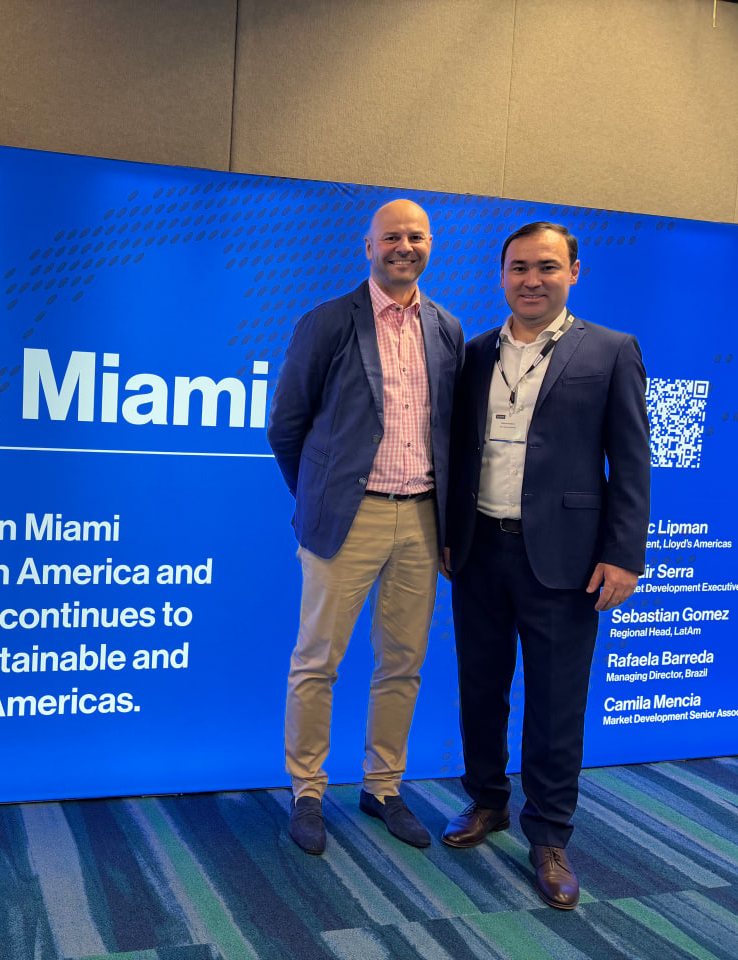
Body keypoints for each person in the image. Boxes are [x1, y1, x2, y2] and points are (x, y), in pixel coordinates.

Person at [442, 222, 650, 908]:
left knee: (557, 701)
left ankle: (551, 834)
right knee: (480, 687)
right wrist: (448, 534)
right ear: (502, 274)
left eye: (547, 267)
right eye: (520, 267)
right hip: (478, 549)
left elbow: (632, 461)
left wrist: (623, 554)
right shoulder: (475, 352)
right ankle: (486, 800)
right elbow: (459, 452)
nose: (532, 280)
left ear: (573, 273)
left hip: (567, 559)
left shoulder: (612, 350)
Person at [268, 198, 464, 853]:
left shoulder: (446, 328)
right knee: (316, 661)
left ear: (429, 244)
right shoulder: (327, 322)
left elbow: (450, 432)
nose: (405, 246)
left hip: (421, 520)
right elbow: (286, 425)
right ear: (369, 246)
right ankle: (307, 791)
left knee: (403, 662)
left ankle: (383, 787)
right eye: (392, 237)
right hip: (346, 520)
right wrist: (321, 499)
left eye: (416, 236)